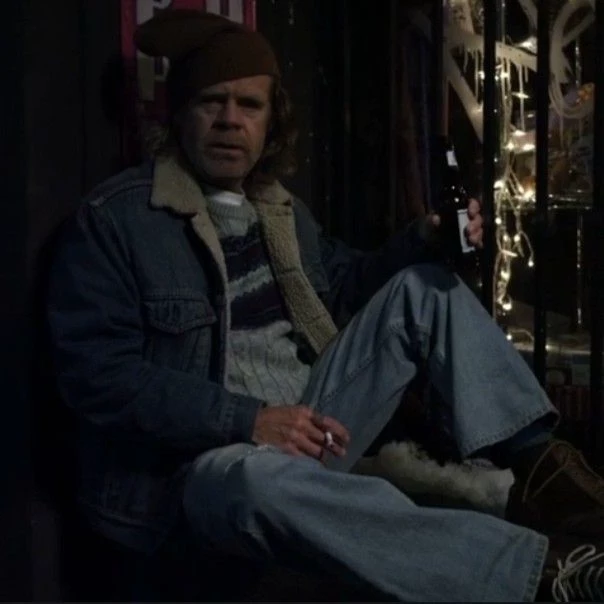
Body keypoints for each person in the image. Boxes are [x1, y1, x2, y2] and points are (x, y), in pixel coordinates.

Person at [47, 9, 604, 602]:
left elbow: (347, 287)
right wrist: (248, 419)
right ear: (180, 113)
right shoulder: (119, 219)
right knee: (254, 483)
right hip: (203, 465)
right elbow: (96, 376)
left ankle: (549, 476)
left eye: (249, 105)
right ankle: (544, 576)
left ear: (271, 122)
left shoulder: (280, 210)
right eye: (211, 102)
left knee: (422, 287)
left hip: (314, 425)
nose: (230, 120)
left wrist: (427, 236)